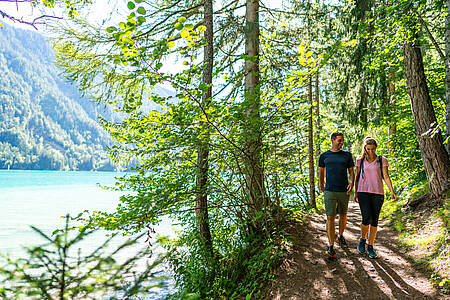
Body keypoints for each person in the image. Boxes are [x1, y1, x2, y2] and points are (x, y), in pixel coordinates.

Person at [354, 137, 397, 259]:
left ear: (376, 148)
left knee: (375, 220)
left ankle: (370, 246)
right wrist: (355, 193)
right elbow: (357, 178)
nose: (371, 151)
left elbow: (386, 177)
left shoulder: (381, 160)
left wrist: (392, 191)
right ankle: (362, 239)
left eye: (373, 149)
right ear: (365, 148)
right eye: (368, 149)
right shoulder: (360, 160)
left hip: (378, 193)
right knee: (366, 217)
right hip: (363, 192)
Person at [319, 132, 355, 259]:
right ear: (332, 140)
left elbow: (351, 172)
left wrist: (352, 183)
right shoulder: (324, 156)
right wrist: (321, 185)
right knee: (330, 217)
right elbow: (321, 172)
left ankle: (340, 236)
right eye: (339, 140)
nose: (341, 143)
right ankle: (331, 246)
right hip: (330, 190)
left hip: (343, 190)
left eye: (342, 141)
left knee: (343, 216)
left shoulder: (347, 155)